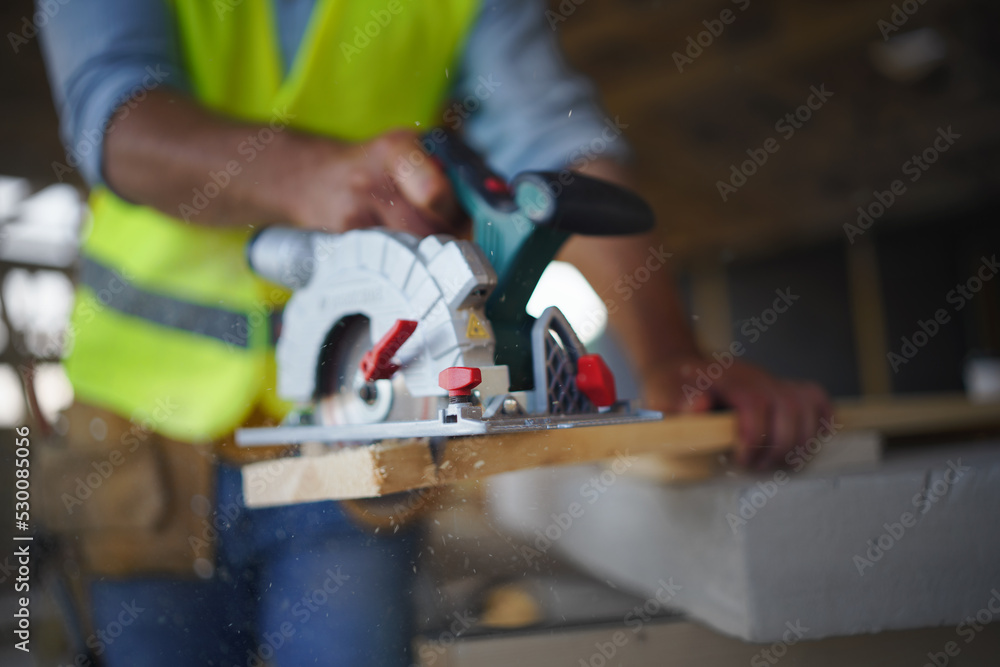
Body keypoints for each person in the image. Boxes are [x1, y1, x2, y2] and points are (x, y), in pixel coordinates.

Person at [38, 0, 831, 664]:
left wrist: (672, 358)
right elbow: (116, 114)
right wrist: (313, 174)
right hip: (142, 432)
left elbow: (556, 154)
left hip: (351, 433)